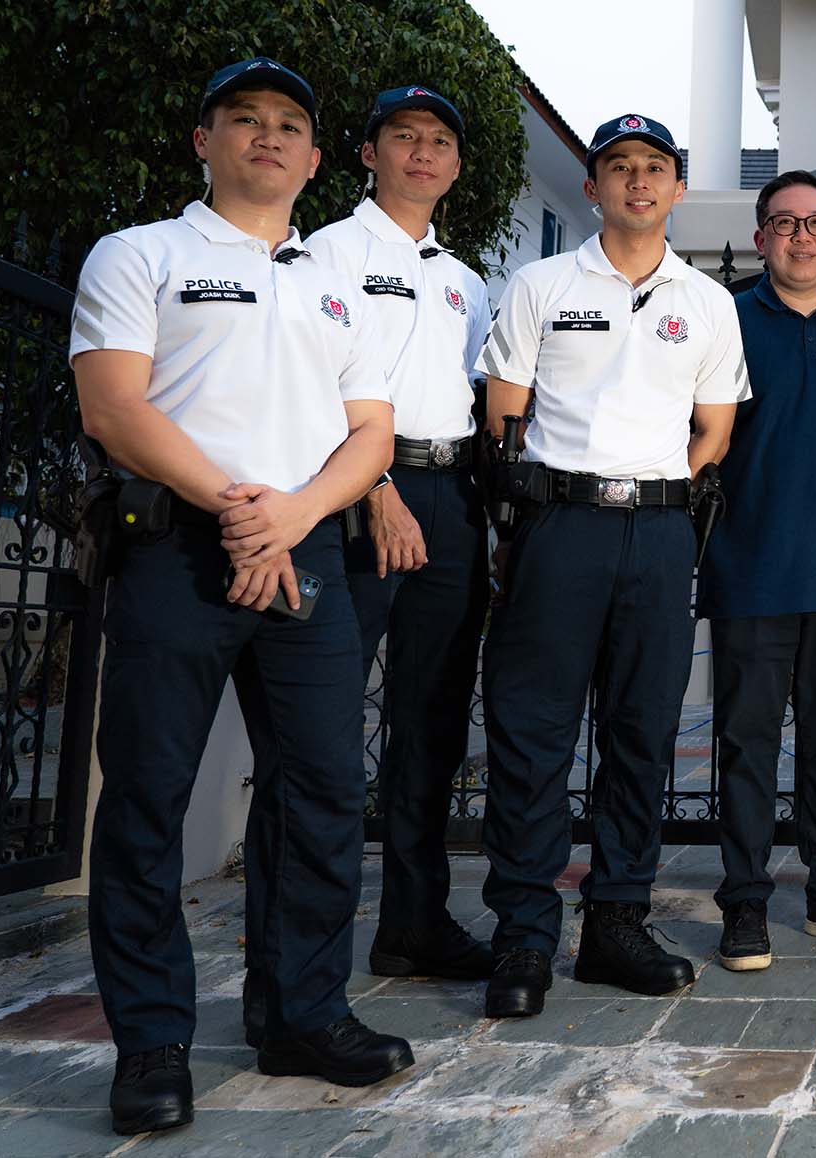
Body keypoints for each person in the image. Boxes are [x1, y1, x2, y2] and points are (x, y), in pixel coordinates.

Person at [70, 57, 411, 1135]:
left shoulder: (336, 284)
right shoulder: (142, 254)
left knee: (322, 793)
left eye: (289, 124)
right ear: (204, 140)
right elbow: (114, 408)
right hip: (178, 554)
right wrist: (238, 509)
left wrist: (293, 515)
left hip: (307, 557)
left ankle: (302, 1013)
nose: (268, 134)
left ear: (315, 159)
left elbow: (372, 435)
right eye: (245, 117)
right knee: (147, 796)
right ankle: (151, 1042)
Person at [474, 114, 747, 1018]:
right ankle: (523, 932)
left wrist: (662, 500)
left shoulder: (706, 302)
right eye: (619, 166)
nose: (638, 180)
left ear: (677, 188)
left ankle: (616, 922)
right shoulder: (542, 284)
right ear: (592, 188)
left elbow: (714, 431)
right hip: (559, 524)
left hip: (661, 531)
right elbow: (504, 415)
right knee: (534, 732)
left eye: (655, 167)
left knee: (642, 732)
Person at [305, 85, 494, 984]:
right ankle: (305, 940)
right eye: (404, 136)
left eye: (440, 141)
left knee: (432, 718)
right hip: (356, 491)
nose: (423, 153)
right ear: (368, 152)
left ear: (455, 166)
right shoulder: (325, 253)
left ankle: (413, 925)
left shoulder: (466, 281)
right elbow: (309, 381)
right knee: (323, 715)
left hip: (451, 493)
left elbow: (480, 399)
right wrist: (373, 485)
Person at [699, 170, 816, 970]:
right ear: (761, 239)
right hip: (750, 567)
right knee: (746, 741)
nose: (802, 236)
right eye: (785, 223)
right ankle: (744, 899)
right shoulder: (726, 320)